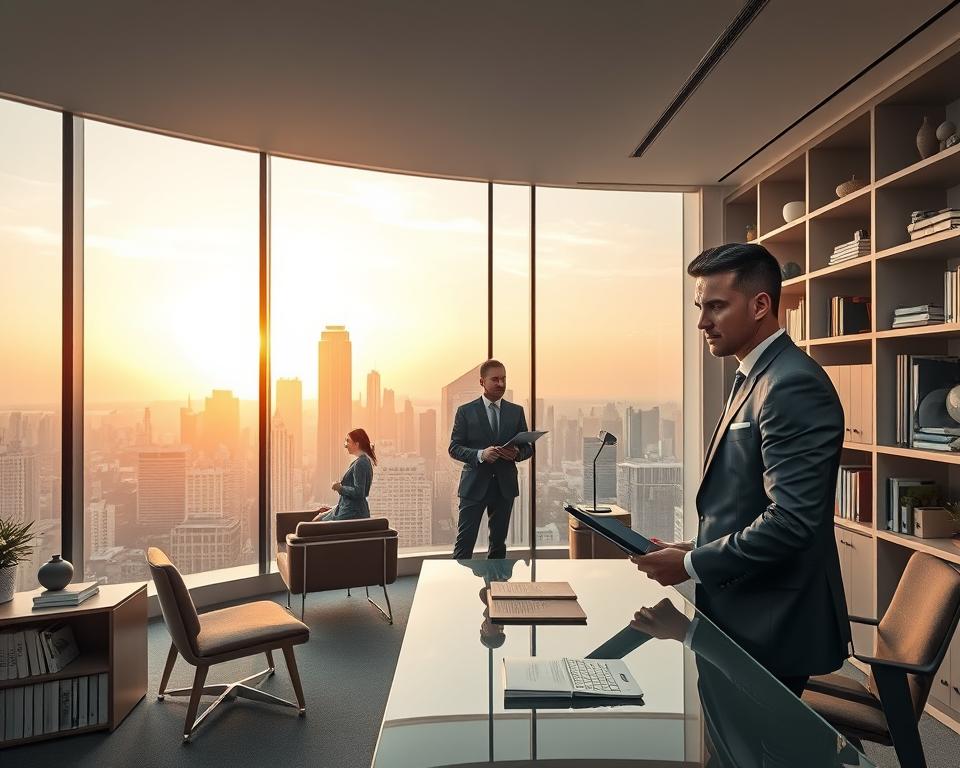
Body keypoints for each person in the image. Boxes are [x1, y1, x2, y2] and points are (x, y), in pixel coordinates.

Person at [631, 242, 850, 697]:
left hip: (772, 623)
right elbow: (747, 501)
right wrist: (693, 546)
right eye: (699, 306)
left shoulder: (790, 384)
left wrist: (690, 563)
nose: (702, 322)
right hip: (739, 612)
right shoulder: (754, 376)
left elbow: (792, 521)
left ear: (760, 305)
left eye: (716, 306)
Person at [449, 359, 533, 559]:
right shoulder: (465, 411)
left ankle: (496, 587)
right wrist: (480, 454)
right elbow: (454, 448)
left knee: (498, 546)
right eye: (495, 379)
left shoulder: (516, 411)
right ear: (482, 382)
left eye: (503, 379)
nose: (501, 384)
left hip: (505, 486)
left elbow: (527, 447)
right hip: (474, 486)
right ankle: (459, 589)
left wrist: (517, 454)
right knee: (464, 544)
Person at [315, 428, 377, 521]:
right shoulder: (361, 461)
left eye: (348, 441)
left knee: (315, 525)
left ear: (357, 444)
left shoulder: (361, 463)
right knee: (318, 518)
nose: (345, 445)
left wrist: (340, 488)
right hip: (347, 508)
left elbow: (360, 493)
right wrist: (333, 508)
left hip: (351, 512)